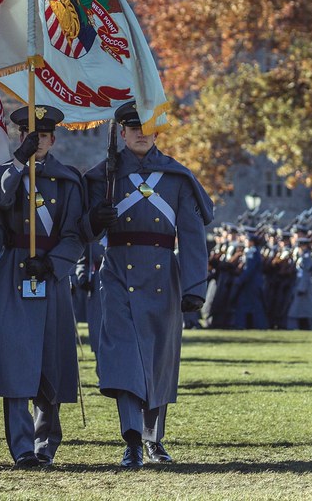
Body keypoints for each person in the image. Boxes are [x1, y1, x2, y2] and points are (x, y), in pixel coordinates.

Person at [84, 100, 212, 470]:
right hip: (117, 273)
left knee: (158, 360)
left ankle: (155, 439)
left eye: (147, 126)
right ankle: (133, 440)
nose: (141, 132)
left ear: (157, 131)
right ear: (121, 133)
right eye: (133, 126)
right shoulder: (101, 177)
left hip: (162, 278)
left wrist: (194, 287)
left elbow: (191, 234)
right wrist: (96, 218)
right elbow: (83, 231)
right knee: (123, 358)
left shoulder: (177, 177)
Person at [0, 105, 85, 469]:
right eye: (27, 134)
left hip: (50, 275)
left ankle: (45, 442)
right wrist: (19, 164)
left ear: (52, 139)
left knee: (51, 360)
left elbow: (74, 236)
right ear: (18, 137)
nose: (35, 140)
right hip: (14, 271)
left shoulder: (68, 180)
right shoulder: (5, 175)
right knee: (13, 359)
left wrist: (54, 265)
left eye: (41, 135)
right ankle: (21, 446)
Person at [286, 235, 312, 330]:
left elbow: (306, 273)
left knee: (297, 310)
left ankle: (294, 327)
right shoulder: (303, 256)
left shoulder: (306, 257)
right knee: (310, 310)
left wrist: (301, 287)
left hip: (305, 286)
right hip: (303, 284)